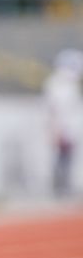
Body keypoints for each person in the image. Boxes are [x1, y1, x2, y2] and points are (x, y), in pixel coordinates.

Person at [44, 49, 83, 197]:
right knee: (61, 158)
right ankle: (59, 188)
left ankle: (64, 186)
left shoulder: (69, 85)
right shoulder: (57, 84)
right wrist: (56, 129)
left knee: (68, 158)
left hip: (69, 128)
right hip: (62, 128)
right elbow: (54, 109)